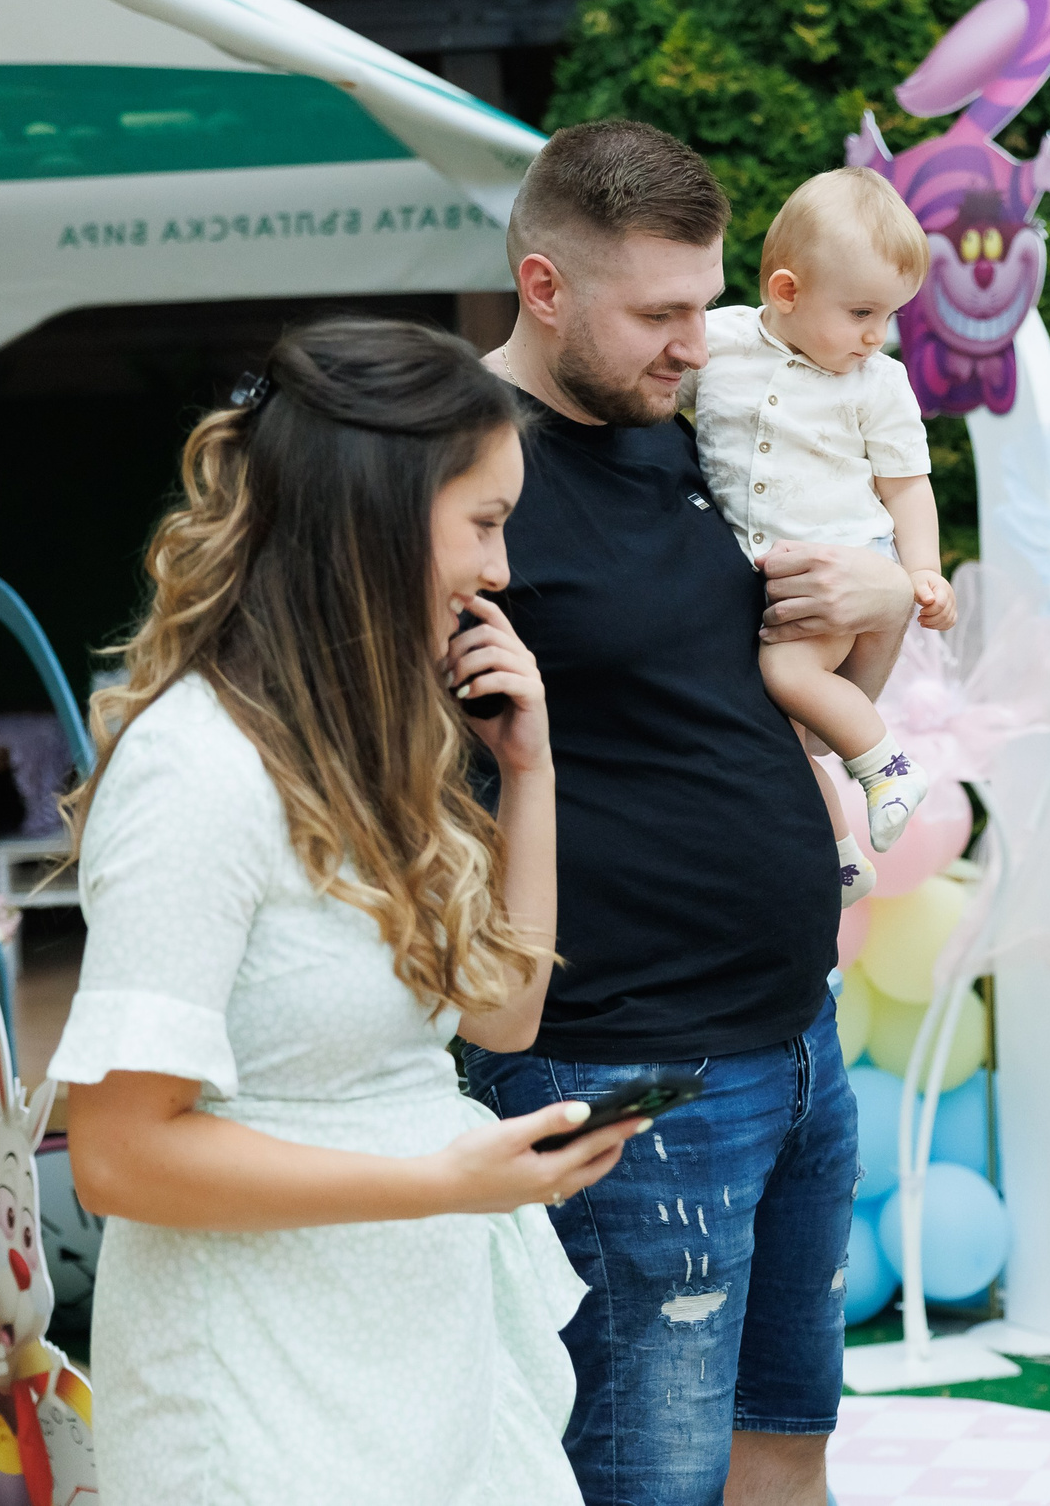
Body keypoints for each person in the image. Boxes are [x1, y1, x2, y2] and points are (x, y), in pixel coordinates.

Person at [47, 320, 647, 1506]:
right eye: (482, 523)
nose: (502, 569)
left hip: (419, 1351)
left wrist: (528, 776)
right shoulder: (196, 774)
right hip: (261, 1391)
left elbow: (506, 1018)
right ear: (374, 516)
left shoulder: (368, 752)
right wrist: (444, 1182)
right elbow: (116, 1158)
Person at [466, 119, 914, 1506]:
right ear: (544, 287)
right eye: (658, 313)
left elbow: (795, 687)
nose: (694, 339)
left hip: (794, 1037)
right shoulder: (458, 475)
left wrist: (885, 603)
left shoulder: (696, 422)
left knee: (787, 1438)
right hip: (623, 1066)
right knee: (642, 1480)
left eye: (702, 302)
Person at [689, 166, 954, 903]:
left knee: (788, 679)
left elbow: (907, 485)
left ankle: (887, 768)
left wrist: (920, 570)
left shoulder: (878, 382)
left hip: (845, 564)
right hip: (764, 582)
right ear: (786, 292)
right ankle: (839, 854)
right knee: (775, 723)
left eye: (891, 315)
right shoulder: (720, 343)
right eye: (863, 312)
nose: (878, 335)